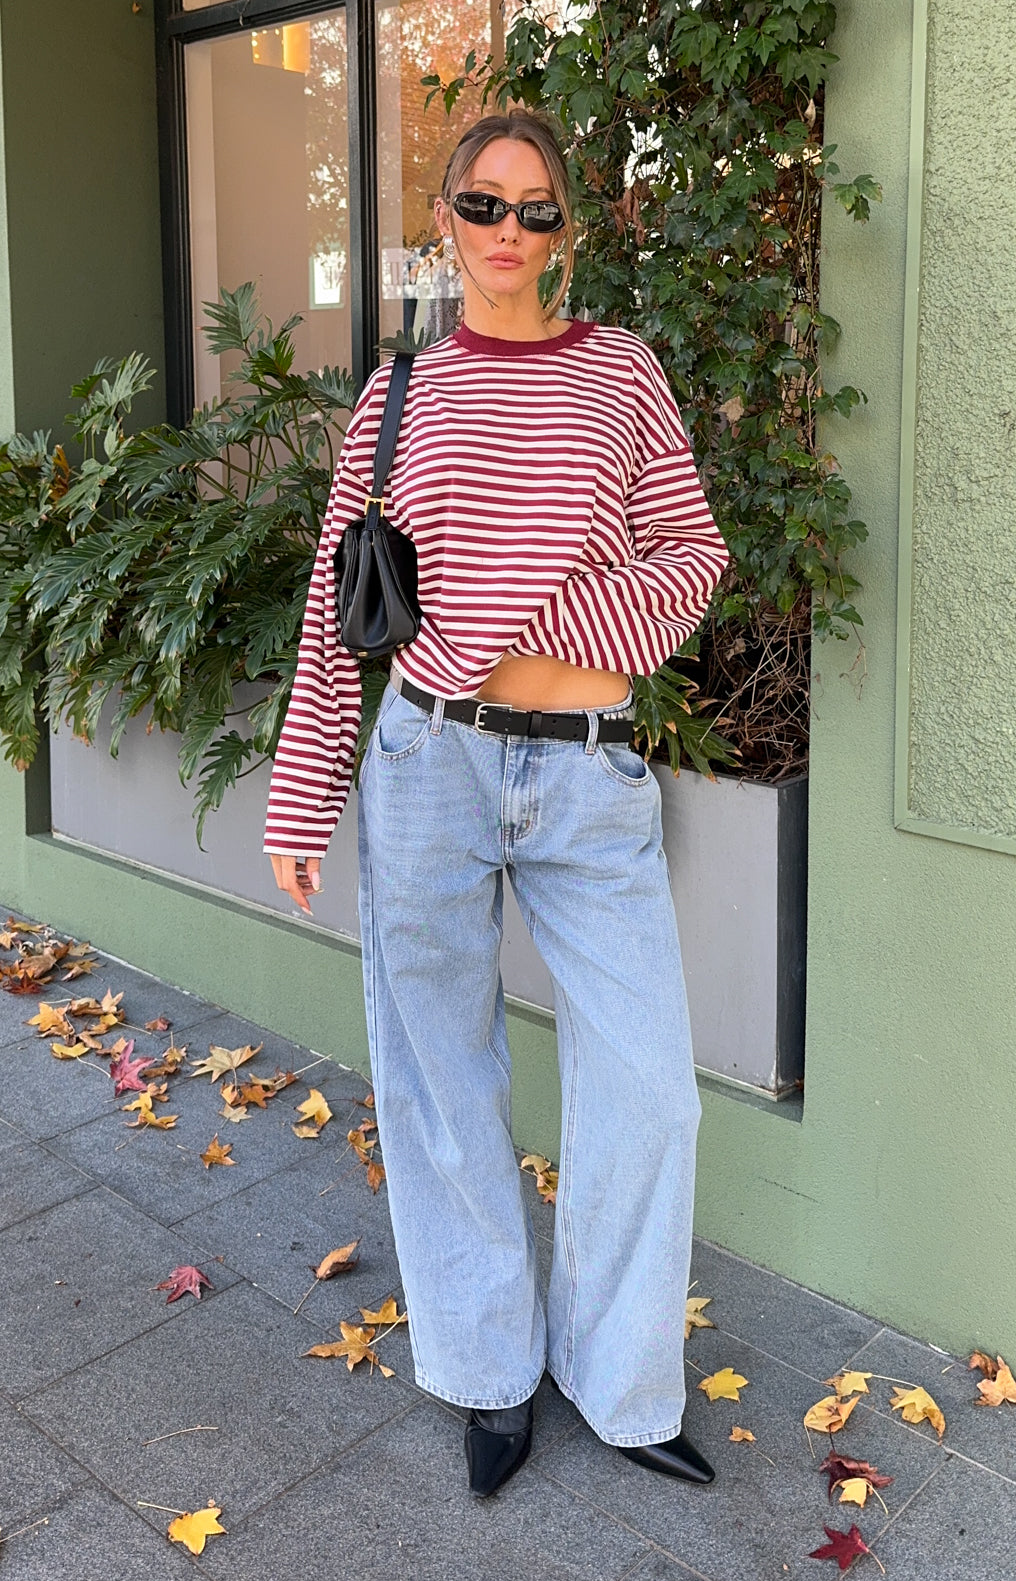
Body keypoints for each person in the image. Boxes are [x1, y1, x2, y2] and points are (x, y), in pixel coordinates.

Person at [265, 109, 729, 1499]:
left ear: (566, 229)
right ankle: (488, 1371)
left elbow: (690, 555)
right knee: (437, 1077)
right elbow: (339, 601)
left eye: (536, 209)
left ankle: (622, 1378)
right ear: (446, 219)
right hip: (431, 762)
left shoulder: (621, 373)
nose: (508, 231)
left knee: (648, 1089)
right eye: (483, 203)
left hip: (587, 771)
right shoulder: (396, 397)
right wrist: (302, 790)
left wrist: (545, 625)